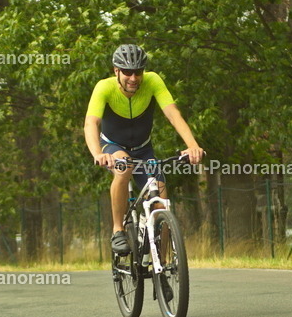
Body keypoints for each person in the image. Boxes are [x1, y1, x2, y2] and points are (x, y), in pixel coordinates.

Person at [84, 43, 204, 254]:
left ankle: (165, 268)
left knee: (162, 203)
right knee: (124, 169)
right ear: (116, 71)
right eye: (128, 72)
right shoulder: (104, 87)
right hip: (113, 146)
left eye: (138, 72)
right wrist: (98, 154)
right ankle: (118, 230)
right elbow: (90, 123)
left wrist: (192, 146)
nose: (133, 78)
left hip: (143, 149)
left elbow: (173, 115)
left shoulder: (153, 81)